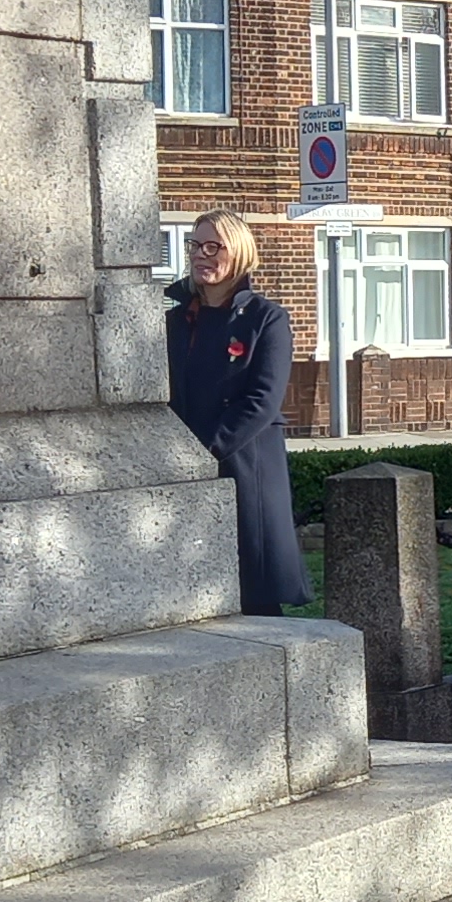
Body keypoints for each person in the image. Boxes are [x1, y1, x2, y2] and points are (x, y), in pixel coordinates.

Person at [164, 212, 309, 615]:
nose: (201, 255)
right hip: (183, 470)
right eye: (195, 245)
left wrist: (207, 451)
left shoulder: (266, 319)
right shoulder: (175, 321)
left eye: (214, 247)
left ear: (239, 254)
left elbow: (262, 400)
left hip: (244, 466)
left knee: (255, 597)